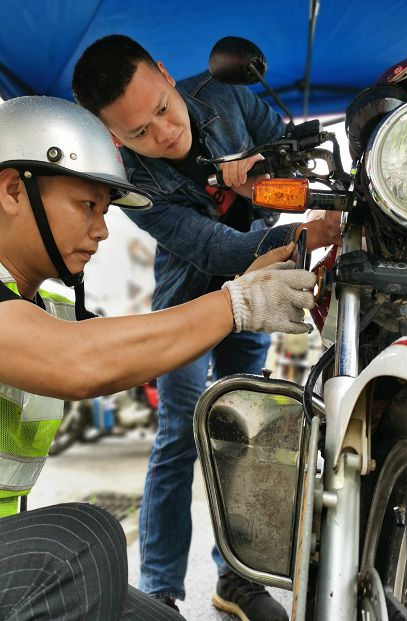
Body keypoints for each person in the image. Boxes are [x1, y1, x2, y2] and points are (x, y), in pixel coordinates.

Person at [0, 94, 316, 621]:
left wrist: (244, 285)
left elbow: (126, 349)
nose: (102, 229)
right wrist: (236, 304)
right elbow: (80, 361)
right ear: (13, 189)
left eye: (105, 211)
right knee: (85, 537)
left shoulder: (41, 304)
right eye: (87, 206)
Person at [72, 34, 341, 621]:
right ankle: (161, 590)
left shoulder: (227, 94)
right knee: (178, 437)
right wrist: (301, 237)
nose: (163, 133)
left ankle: (238, 580)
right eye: (139, 132)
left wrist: (269, 171)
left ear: (168, 74)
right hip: (188, 299)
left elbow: (291, 144)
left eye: (163, 108)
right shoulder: (131, 183)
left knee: (249, 438)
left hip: (263, 290)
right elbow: (215, 250)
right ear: (114, 137)